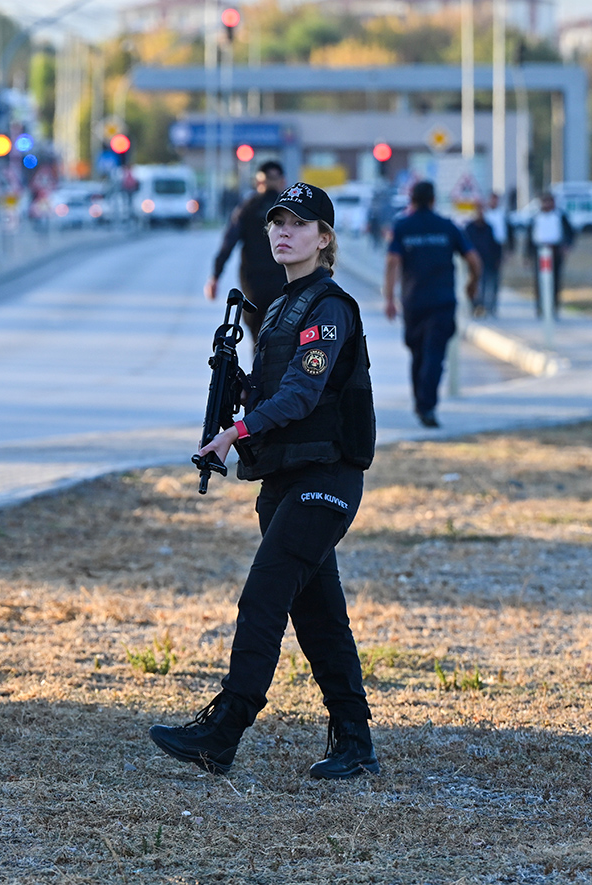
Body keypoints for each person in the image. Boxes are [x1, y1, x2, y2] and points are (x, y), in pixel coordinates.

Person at [149, 182, 380, 780]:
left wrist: (235, 431)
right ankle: (354, 742)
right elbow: (277, 390)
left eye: (298, 224)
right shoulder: (279, 307)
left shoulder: (329, 307)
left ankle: (225, 729)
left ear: (324, 239)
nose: (283, 232)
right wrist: (236, 385)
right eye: (277, 222)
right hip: (282, 480)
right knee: (320, 616)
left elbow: (303, 395)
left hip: (324, 478)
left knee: (264, 599)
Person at [383, 180, 481, 428]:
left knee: (418, 354)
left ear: (412, 201)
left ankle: (422, 402)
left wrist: (389, 299)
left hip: (414, 302)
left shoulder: (403, 226)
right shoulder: (447, 226)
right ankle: (426, 405)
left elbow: (392, 263)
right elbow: (474, 260)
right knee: (434, 355)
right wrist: (473, 283)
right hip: (443, 301)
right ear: (434, 200)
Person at [205, 160, 289, 339]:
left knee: (258, 335)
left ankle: (259, 365)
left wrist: (215, 276)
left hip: (253, 284)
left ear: (258, 182)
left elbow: (228, 243)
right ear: (283, 182)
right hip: (285, 282)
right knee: (284, 335)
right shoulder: (290, 211)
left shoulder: (247, 208)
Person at [524, 191, 574, 318]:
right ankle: (540, 308)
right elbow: (528, 239)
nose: (547, 204)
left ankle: (554, 308)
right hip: (539, 251)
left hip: (555, 251)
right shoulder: (535, 217)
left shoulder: (560, 216)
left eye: (549, 201)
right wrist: (527, 256)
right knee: (539, 281)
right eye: (545, 201)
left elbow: (571, 234)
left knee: (555, 281)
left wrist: (566, 246)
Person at [462, 199, 504, 318]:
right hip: (473, 263)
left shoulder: (489, 227)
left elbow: (495, 245)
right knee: (474, 285)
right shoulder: (469, 228)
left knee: (487, 285)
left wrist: (497, 258)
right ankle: (474, 307)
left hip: (487, 261)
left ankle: (485, 308)